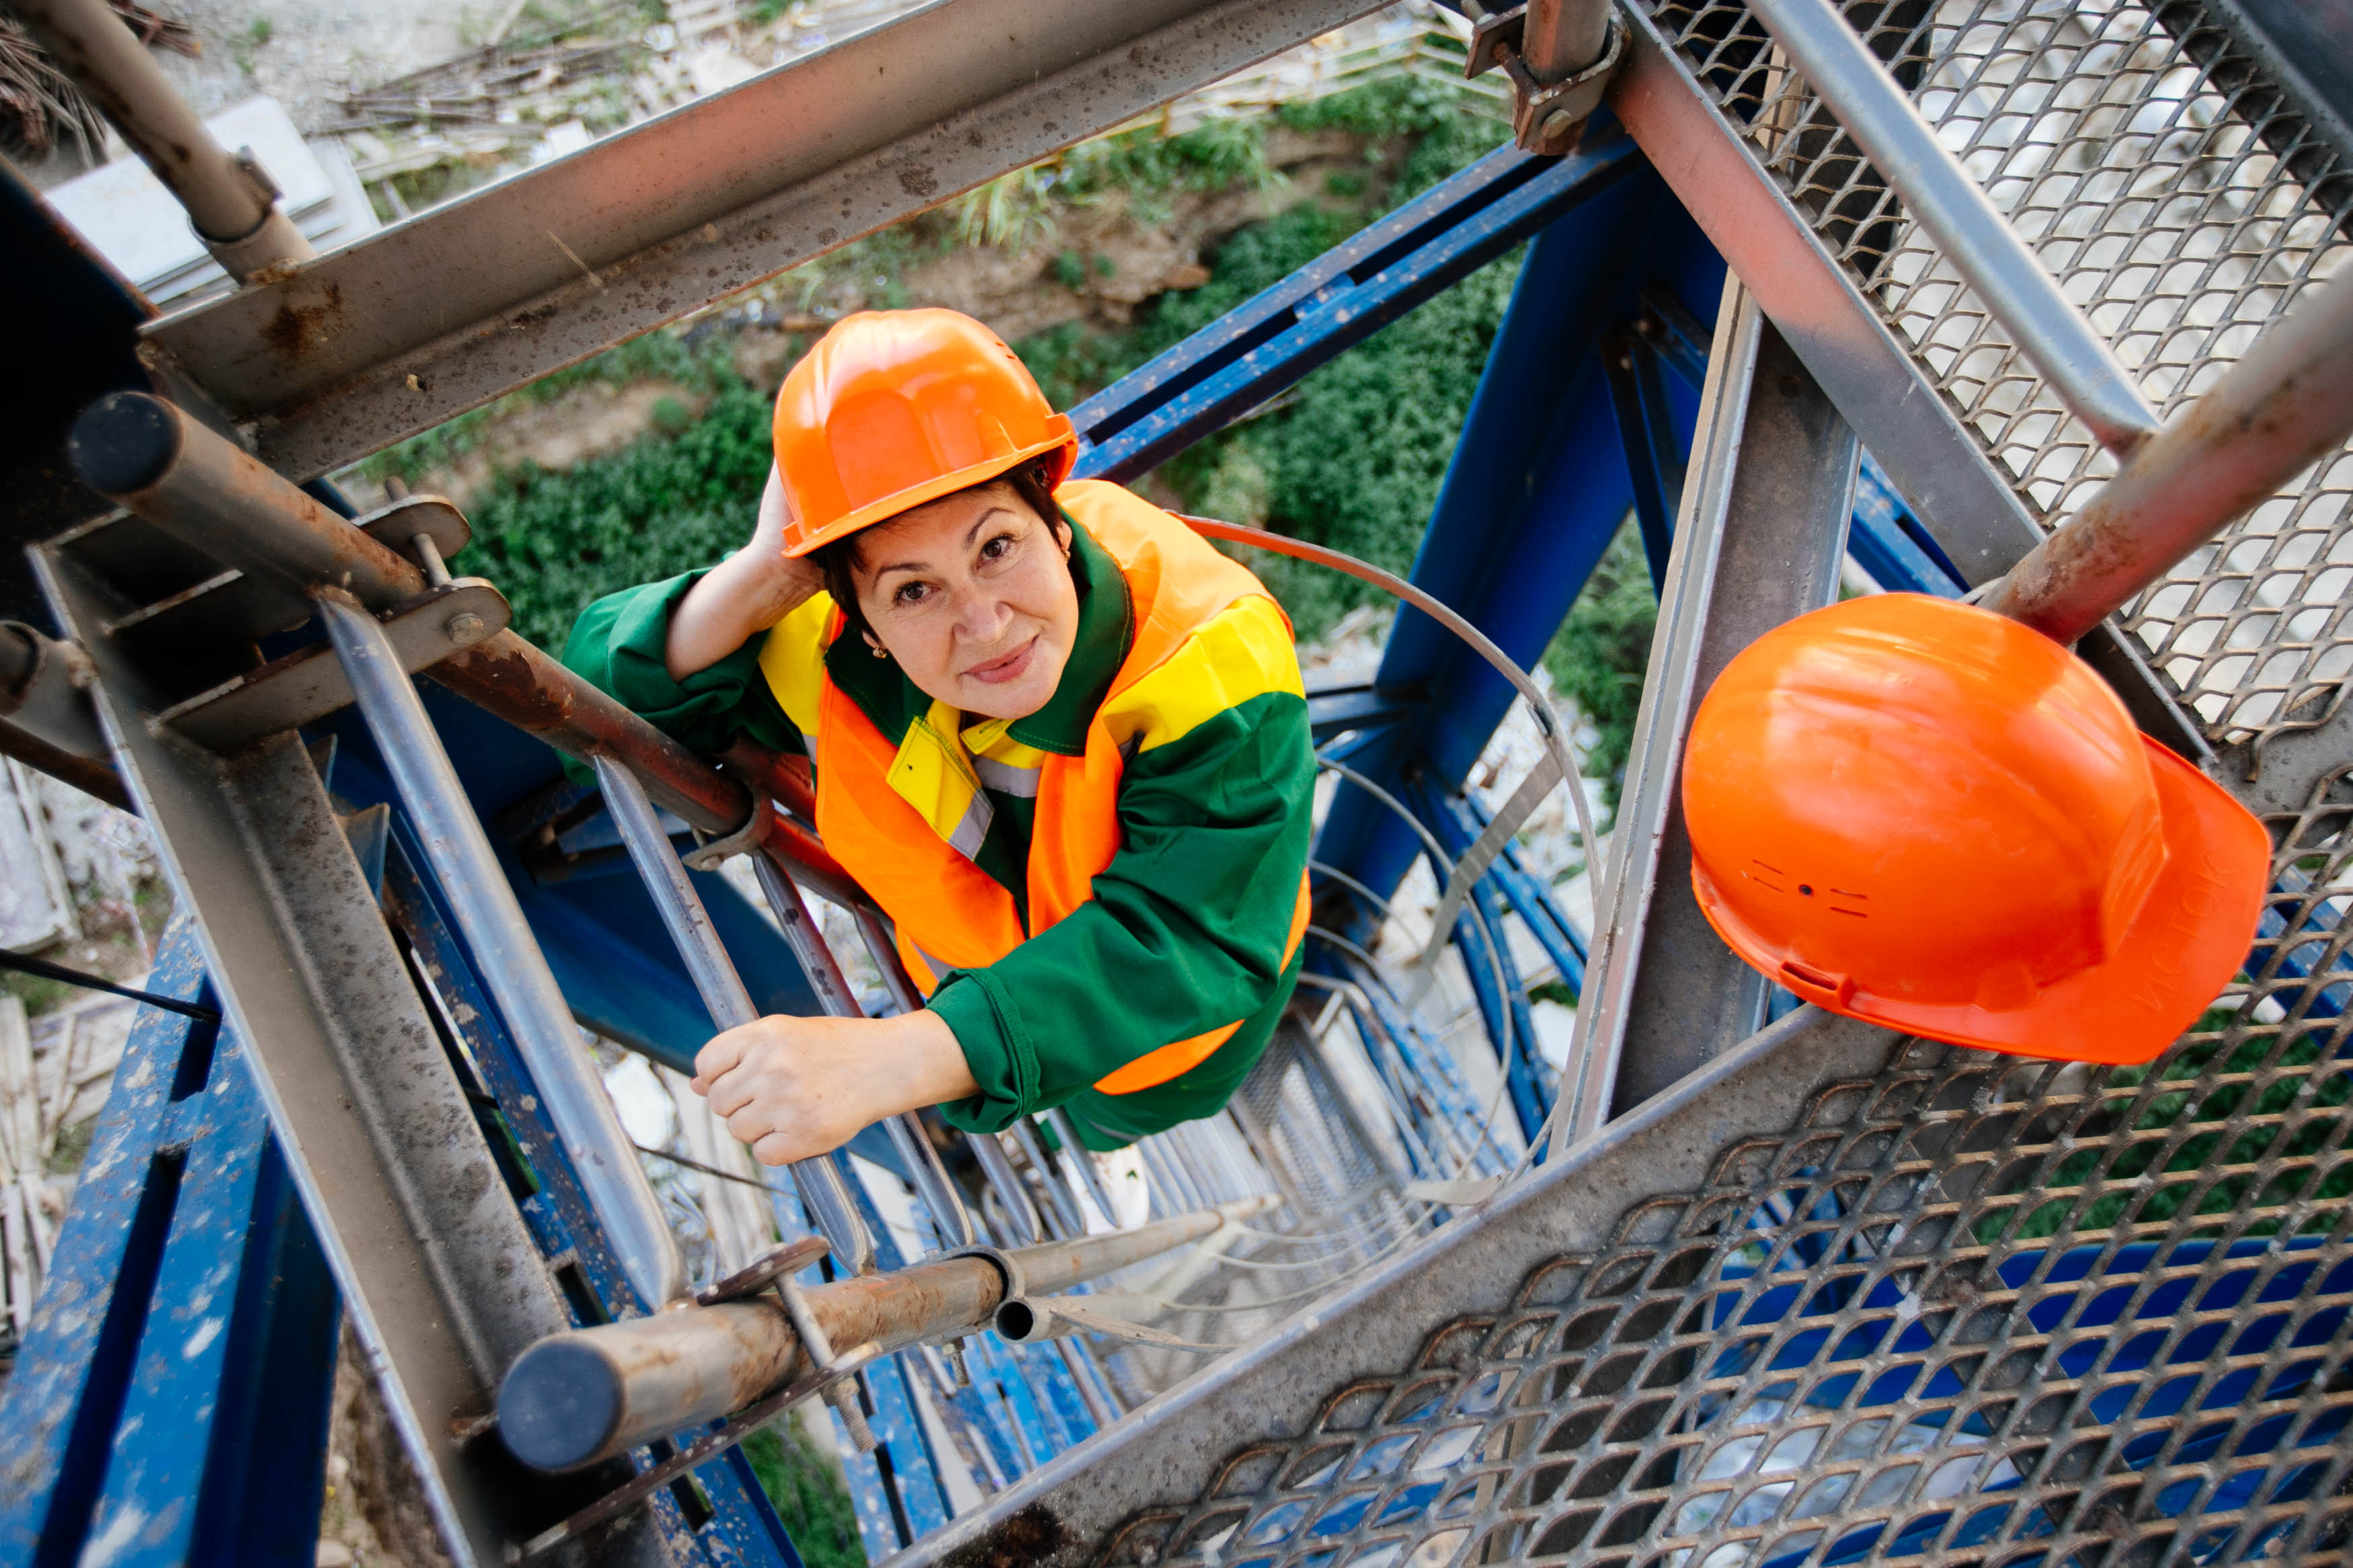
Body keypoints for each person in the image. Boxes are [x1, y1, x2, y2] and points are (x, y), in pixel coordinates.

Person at [564, 308, 1315, 1163]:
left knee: (1115, 1123)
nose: (985, 623)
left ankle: (1091, 1138)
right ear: (865, 619)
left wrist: (898, 1060)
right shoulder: (833, 646)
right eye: (913, 590)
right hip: (973, 1017)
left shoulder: (1209, 657)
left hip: (1172, 1045)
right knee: (1057, 1121)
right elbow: (591, 701)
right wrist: (764, 573)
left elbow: (1189, 936)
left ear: (1056, 523)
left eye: (996, 546)